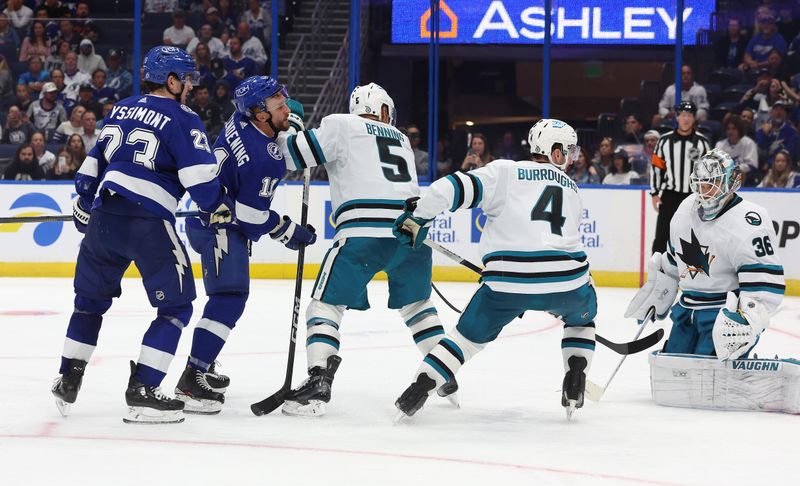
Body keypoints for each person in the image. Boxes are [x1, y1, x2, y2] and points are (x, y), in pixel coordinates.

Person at [50, 45, 233, 424]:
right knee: (177, 307)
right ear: (170, 79)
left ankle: (68, 376)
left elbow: (90, 166)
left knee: (88, 304)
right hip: (148, 222)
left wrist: (84, 199)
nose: (188, 86)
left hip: (103, 219)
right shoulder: (183, 117)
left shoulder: (121, 107)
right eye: (185, 78)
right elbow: (201, 184)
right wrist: (218, 204)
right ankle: (145, 390)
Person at [392, 118, 596, 421]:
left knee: (464, 340)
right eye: (566, 149)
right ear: (554, 152)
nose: (570, 156)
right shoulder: (573, 188)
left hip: (506, 285)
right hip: (569, 282)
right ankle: (575, 376)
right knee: (583, 321)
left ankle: (419, 389)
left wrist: (418, 217)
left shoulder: (505, 171)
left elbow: (448, 188)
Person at [276, 83, 452, 417]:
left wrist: (294, 124)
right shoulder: (400, 139)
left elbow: (291, 155)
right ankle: (443, 370)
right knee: (418, 307)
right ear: (385, 112)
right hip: (410, 235)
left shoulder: (341, 124)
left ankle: (318, 381)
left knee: (325, 309)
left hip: (362, 235)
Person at [177, 76, 317, 414]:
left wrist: (289, 119)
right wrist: (288, 231)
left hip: (207, 219)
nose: (285, 107)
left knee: (225, 299)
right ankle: (192, 378)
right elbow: (252, 216)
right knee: (229, 300)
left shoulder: (241, 117)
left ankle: (203, 366)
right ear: (260, 113)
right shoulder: (265, 159)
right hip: (221, 226)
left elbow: (284, 114)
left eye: (283, 102)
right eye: (278, 106)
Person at [627, 148, 784, 357]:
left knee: (708, 370)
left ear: (730, 181)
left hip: (722, 314)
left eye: (712, 183)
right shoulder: (685, 209)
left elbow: (764, 283)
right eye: (700, 183)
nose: (704, 190)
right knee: (674, 365)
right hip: (686, 310)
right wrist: (658, 296)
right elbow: (673, 262)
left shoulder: (749, 220)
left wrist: (747, 321)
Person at [651, 101, 711, 253]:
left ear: (694, 118)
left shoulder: (703, 143)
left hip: (694, 197)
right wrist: (655, 193)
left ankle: (695, 273)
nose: (686, 119)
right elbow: (657, 168)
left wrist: (707, 195)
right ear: (677, 117)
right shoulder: (664, 141)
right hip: (670, 195)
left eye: (689, 115)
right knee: (662, 236)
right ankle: (656, 274)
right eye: (683, 115)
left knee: (695, 237)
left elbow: (708, 171)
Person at [715, 113, 759, 182]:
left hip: (745, 181)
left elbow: (752, 166)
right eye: (728, 129)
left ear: (739, 129)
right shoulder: (720, 145)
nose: (730, 131)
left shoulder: (749, 143)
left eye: (734, 128)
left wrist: (734, 169)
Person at [756, 101, 798, 165]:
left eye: (781, 110)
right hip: (762, 167)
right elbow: (760, 152)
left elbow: (789, 152)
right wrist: (764, 135)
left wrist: (769, 163)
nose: (778, 113)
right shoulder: (762, 130)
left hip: (783, 167)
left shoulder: (791, 132)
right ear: (771, 113)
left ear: (785, 114)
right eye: (776, 110)